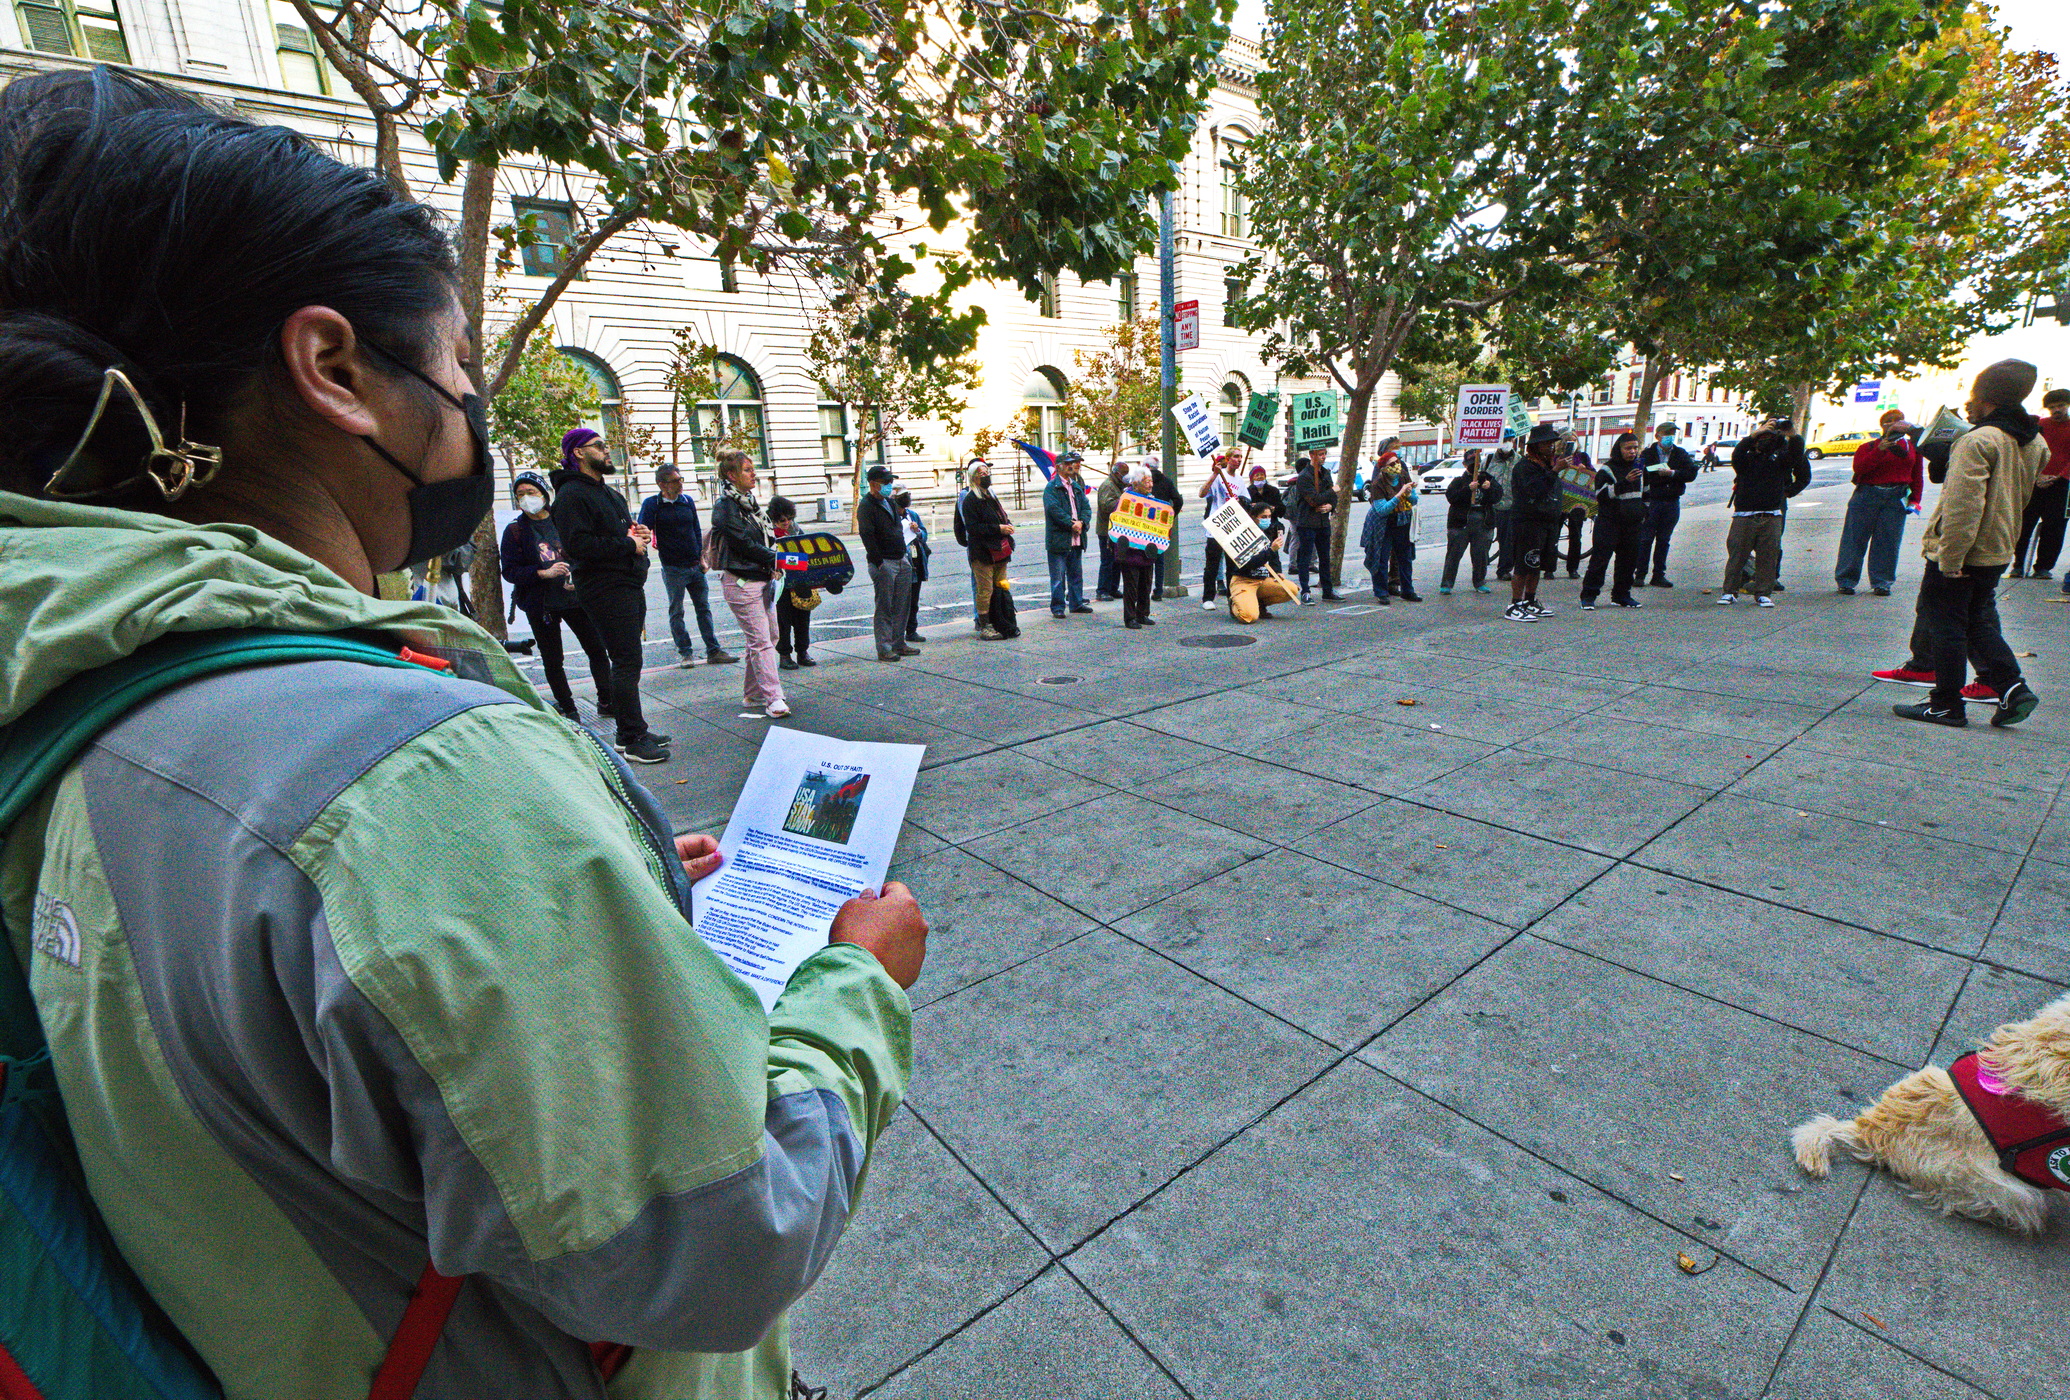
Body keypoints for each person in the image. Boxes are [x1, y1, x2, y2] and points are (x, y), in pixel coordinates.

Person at [0, 66, 922, 1399]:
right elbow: (727, 1235)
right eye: (457, 367)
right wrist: (855, 986)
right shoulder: (413, 778)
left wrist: (569, 896)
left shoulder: (67, 684)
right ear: (334, 370)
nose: (469, 411)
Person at [1893, 360, 2047, 727]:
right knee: (1977, 621)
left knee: (1947, 626)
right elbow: (2022, 495)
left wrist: (1950, 559)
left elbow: (1963, 506)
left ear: (1986, 398)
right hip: (1997, 547)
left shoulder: (1977, 440)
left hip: (1964, 551)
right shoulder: (2035, 441)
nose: (1968, 405)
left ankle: (1946, 705)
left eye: (1972, 397)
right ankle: (2012, 688)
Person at [551, 426, 670, 763]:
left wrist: (637, 534)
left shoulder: (607, 492)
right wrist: (627, 544)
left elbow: (621, 533)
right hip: (604, 587)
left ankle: (630, 731)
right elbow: (578, 545)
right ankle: (632, 738)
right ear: (578, 452)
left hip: (626, 583)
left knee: (630, 659)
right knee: (625, 660)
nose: (606, 451)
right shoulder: (571, 496)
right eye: (599, 445)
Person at [499, 469, 612, 719]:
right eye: (520, 494)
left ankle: (606, 700)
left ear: (544, 494)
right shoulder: (515, 531)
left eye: (531, 492)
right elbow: (510, 571)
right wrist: (542, 573)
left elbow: (587, 552)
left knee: (597, 649)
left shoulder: (564, 520)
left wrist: (579, 577)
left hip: (576, 599)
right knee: (552, 659)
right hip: (542, 605)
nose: (526, 498)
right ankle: (568, 707)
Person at [709, 448, 792, 717]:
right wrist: (776, 558)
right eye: (747, 470)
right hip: (741, 582)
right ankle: (773, 698)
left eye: (752, 469)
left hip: (760, 579)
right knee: (761, 641)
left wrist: (775, 562)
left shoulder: (749, 503)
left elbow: (759, 540)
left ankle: (754, 693)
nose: (753, 474)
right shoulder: (726, 506)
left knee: (769, 636)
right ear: (731, 475)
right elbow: (742, 544)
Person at [638, 463, 735, 667]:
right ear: (661, 484)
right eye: (675, 481)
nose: (680, 484)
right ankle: (685, 653)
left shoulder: (687, 501)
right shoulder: (652, 504)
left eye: (680, 479)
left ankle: (713, 650)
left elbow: (696, 529)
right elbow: (642, 532)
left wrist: (702, 557)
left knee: (704, 608)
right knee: (677, 611)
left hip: (695, 565)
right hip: (673, 567)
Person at [1717, 417, 1812, 607]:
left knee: (1768, 554)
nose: (1766, 439)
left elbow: (1798, 460)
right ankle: (1730, 591)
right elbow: (1737, 454)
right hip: (1745, 512)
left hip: (1772, 511)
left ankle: (1764, 592)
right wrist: (1753, 436)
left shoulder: (1781, 458)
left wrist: (1792, 434)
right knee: (1737, 553)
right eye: (1763, 435)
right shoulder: (1747, 459)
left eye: (1770, 434)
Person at [1834, 409, 1924, 596]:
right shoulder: (1868, 447)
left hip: (1896, 497)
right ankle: (1846, 580)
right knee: (1854, 539)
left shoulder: (1912, 448)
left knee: (1888, 541)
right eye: (1889, 421)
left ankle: (1882, 582)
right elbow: (1860, 468)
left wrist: (1915, 500)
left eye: (1899, 420)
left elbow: (1917, 476)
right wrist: (1879, 450)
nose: (1894, 424)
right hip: (1867, 495)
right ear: (1882, 426)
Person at [1503, 424, 1565, 621]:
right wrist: (1554, 471)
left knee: (1536, 565)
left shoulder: (1545, 465)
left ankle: (1529, 600)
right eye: (1546, 444)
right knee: (1524, 564)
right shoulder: (1525, 467)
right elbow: (1535, 490)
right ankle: (1514, 604)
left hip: (1546, 521)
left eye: (1552, 443)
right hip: (1527, 523)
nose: (1550, 447)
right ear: (1535, 446)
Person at [1579, 432, 1646, 610]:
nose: (1632, 452)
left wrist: (1643, 512)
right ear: (1619, 449)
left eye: (1635, 448)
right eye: (1628, 448)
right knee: (1600, 560)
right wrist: (1625, 482)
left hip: (1633, 523)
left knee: (1628, 561)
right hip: (1610, 522)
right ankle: (1589, 596)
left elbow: (1646, 492)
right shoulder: (1607, 469)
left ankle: (1622, 595)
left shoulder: (1641, 468)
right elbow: (1601, 495)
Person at [857, 463, 916, 662]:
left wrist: (904, 555)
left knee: (902, 604)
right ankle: (884, 647)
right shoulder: (866, 506)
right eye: (885, 482)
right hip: (884, 562)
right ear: (873, 484)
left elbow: (897, 528)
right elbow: (867, 536)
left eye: (890, 481)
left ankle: (898, 643)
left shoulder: (890, 503)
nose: (889, 485)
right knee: (884, 606)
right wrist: (878, 562)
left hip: (900, 558)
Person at [2011, 387, 2070, 579]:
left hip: (2063, 484)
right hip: (2034, 481)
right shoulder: (2039, 426)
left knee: (2055, 527)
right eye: (2052, 407)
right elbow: (2028, 451)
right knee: (2023, 524)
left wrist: (2060, 476)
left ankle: (2043, 567)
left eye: (2061, 405)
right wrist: (2037, 475)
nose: (2056, 410)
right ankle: (2018, 565)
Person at [1633, 422, 1698, 586]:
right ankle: (1640, 574)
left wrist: (1672, 473)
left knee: (1663, 540)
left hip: (1671, 501)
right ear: (1658, 436)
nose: (1670, 437)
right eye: (1666, 433)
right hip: (1652, 501)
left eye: (1672, 434)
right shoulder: (1647, 454)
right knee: (1645, 539)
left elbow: (1691, 473)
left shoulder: (1680, 453)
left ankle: (1658, 575)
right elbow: (1640, 473)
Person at [958, 460, 1015, 639]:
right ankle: (985, 625)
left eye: (987, 473)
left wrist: (1007, 525)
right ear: (973, 477)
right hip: (982, 552)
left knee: (1001, 586)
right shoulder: (970, 499)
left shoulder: (991, 495)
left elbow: (1001, 516)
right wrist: (998, 528)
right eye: (981, 474)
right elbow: (973, 528)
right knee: (985, 590)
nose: (986, 476)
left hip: (1000, 550)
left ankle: (1002, 620)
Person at [766, 494, 821, 670]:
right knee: (783, 621)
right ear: (774, 519)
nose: (787, 522)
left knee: (803, 618)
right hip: (781, 583)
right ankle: (784, 655)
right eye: (782, 520)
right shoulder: (768, 534)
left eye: (789, 518)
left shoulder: (796, 530)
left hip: (799, 580)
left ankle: (802, 651)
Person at [1359, 452, 1419, 603]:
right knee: (1381, 558)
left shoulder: (1403, 475)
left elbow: (1414, 500)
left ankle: (1408, 591)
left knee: (1405, 558)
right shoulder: (1377, 483)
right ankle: (1381, 592)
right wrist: (1399, 494)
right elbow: (1382, 510)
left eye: (1397, 461)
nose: (1396, 465)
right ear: (1384, 468)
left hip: (1402, 520)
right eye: (1392, 464)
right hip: (1383, 524)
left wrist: (1410, 494)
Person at [1439, 452, 1501, 595]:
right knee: (1454, 554)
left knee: (1481, 555)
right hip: (1461, 523)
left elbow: (1497, 496)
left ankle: (1479, 581)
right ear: (1465, 465)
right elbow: (1452, 497)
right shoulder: (1458, 481)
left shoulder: (1488, 479)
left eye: (1477, 463)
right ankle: (1447, 583)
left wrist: (1489, 488)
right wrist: (1468, 490)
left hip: (1483, 521)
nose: (1475, 467)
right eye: (1471, 464)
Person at [1044, 449, 1095, 616]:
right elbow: (1053, 510)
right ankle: (1058, 607)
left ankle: (1076, 603)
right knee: (1058, 578)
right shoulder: (1052, 487)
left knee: (1076, 575)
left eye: (1071, 463)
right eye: (1067, 464)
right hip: (1059, 539)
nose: (1070, 466)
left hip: (1076, 538)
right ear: (1058, 466)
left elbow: (1086, 507)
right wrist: (1071, 524)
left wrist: (1082, 522)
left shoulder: (1076, 486)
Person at [1110, 463, 1161, 628]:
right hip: (1130, 550)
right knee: (1131, 586)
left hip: (1147, 549)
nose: (1151, 485)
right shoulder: (1126, 499)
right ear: (1137, 484)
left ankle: (1143, 614)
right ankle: (1130, 617)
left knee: (1146, 584)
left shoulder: (1151, 499)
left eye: (1151, 481)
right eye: (1147, 482)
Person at [1288, 445, 1341, 603]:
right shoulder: (1304, 476)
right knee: (1305, 558)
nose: (1323, 457)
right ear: (1312, 455)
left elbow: (1333, 499)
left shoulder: (1325, 473)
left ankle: (1327, 590)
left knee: (1325, 557)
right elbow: (1314, 499)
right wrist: (1332, 491)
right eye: (1320, 454)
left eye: (1324, 454)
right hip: (1307, 522)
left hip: (1323, 522)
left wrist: (1331, 506)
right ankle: (1305, 591)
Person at [1198, 451, 1242, 608]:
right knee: (1212, 565)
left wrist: (1240, 501)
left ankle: (1232, 597)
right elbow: (1202, 493)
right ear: (1228, 459)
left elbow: (1246, 500)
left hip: (1232, 527)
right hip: (1217, 527)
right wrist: (1214, 475)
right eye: (1235, 456)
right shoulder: (1219, 476)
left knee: (1232, 566)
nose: (1239, 460)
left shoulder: (1239, 479)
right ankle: (1208, 598)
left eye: (1240, 457)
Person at [897, 488, 930, 642]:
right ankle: (898, 633)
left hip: (916, 561)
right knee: (900, 601)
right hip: (901, 561)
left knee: (913, 600)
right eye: (903, 496)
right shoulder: (891, 516)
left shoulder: (912, 514)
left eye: (908, 495)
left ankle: (911, 630)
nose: (907, 498)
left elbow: (924, 534)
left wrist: (918, 531)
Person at [1488, 433, 1522, 579]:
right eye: (1504, 440)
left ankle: (1504, 570)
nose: (1506, 443)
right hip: (1490, 505)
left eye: (1509, 440)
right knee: (1484, 540)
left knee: (1507, 541)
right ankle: (1479, 571)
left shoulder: (1519, 461)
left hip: (1509, 506)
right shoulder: (1489, 460)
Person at [1150, 458, 1185, 600]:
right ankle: (1158, 591)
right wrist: (1171, 516)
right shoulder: (1166, 481)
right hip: (1161, 524)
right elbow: (1178, 500)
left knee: (1144, 559)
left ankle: (1143, 589)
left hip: (1144, 524)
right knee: (1159, 559)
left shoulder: (1144, 482)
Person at [1094, 459, 1126, 599]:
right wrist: (1124, 501)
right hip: (1106, 530)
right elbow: (1106, 505)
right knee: (1107, 561)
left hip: (1115, 529)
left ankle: (1113, 588)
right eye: (1124, 473)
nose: (1126, 476)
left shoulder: (1117, 485)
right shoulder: (1108, 486)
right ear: (1117, 473)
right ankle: (1102, 590)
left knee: (1117, 560)